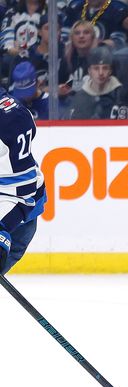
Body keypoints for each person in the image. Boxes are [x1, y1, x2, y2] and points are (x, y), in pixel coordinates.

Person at [0, 88, 46, 275]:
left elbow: (23, 196)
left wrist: (2, 231)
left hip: (19, 218)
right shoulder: (15, 109)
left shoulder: (8, 124)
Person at [69, 45, 128, 120]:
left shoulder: (121, 93)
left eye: (105, 68)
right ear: (89, 71)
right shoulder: (80, 96)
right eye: (96, 68)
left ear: (110, 71)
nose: (101, 73)